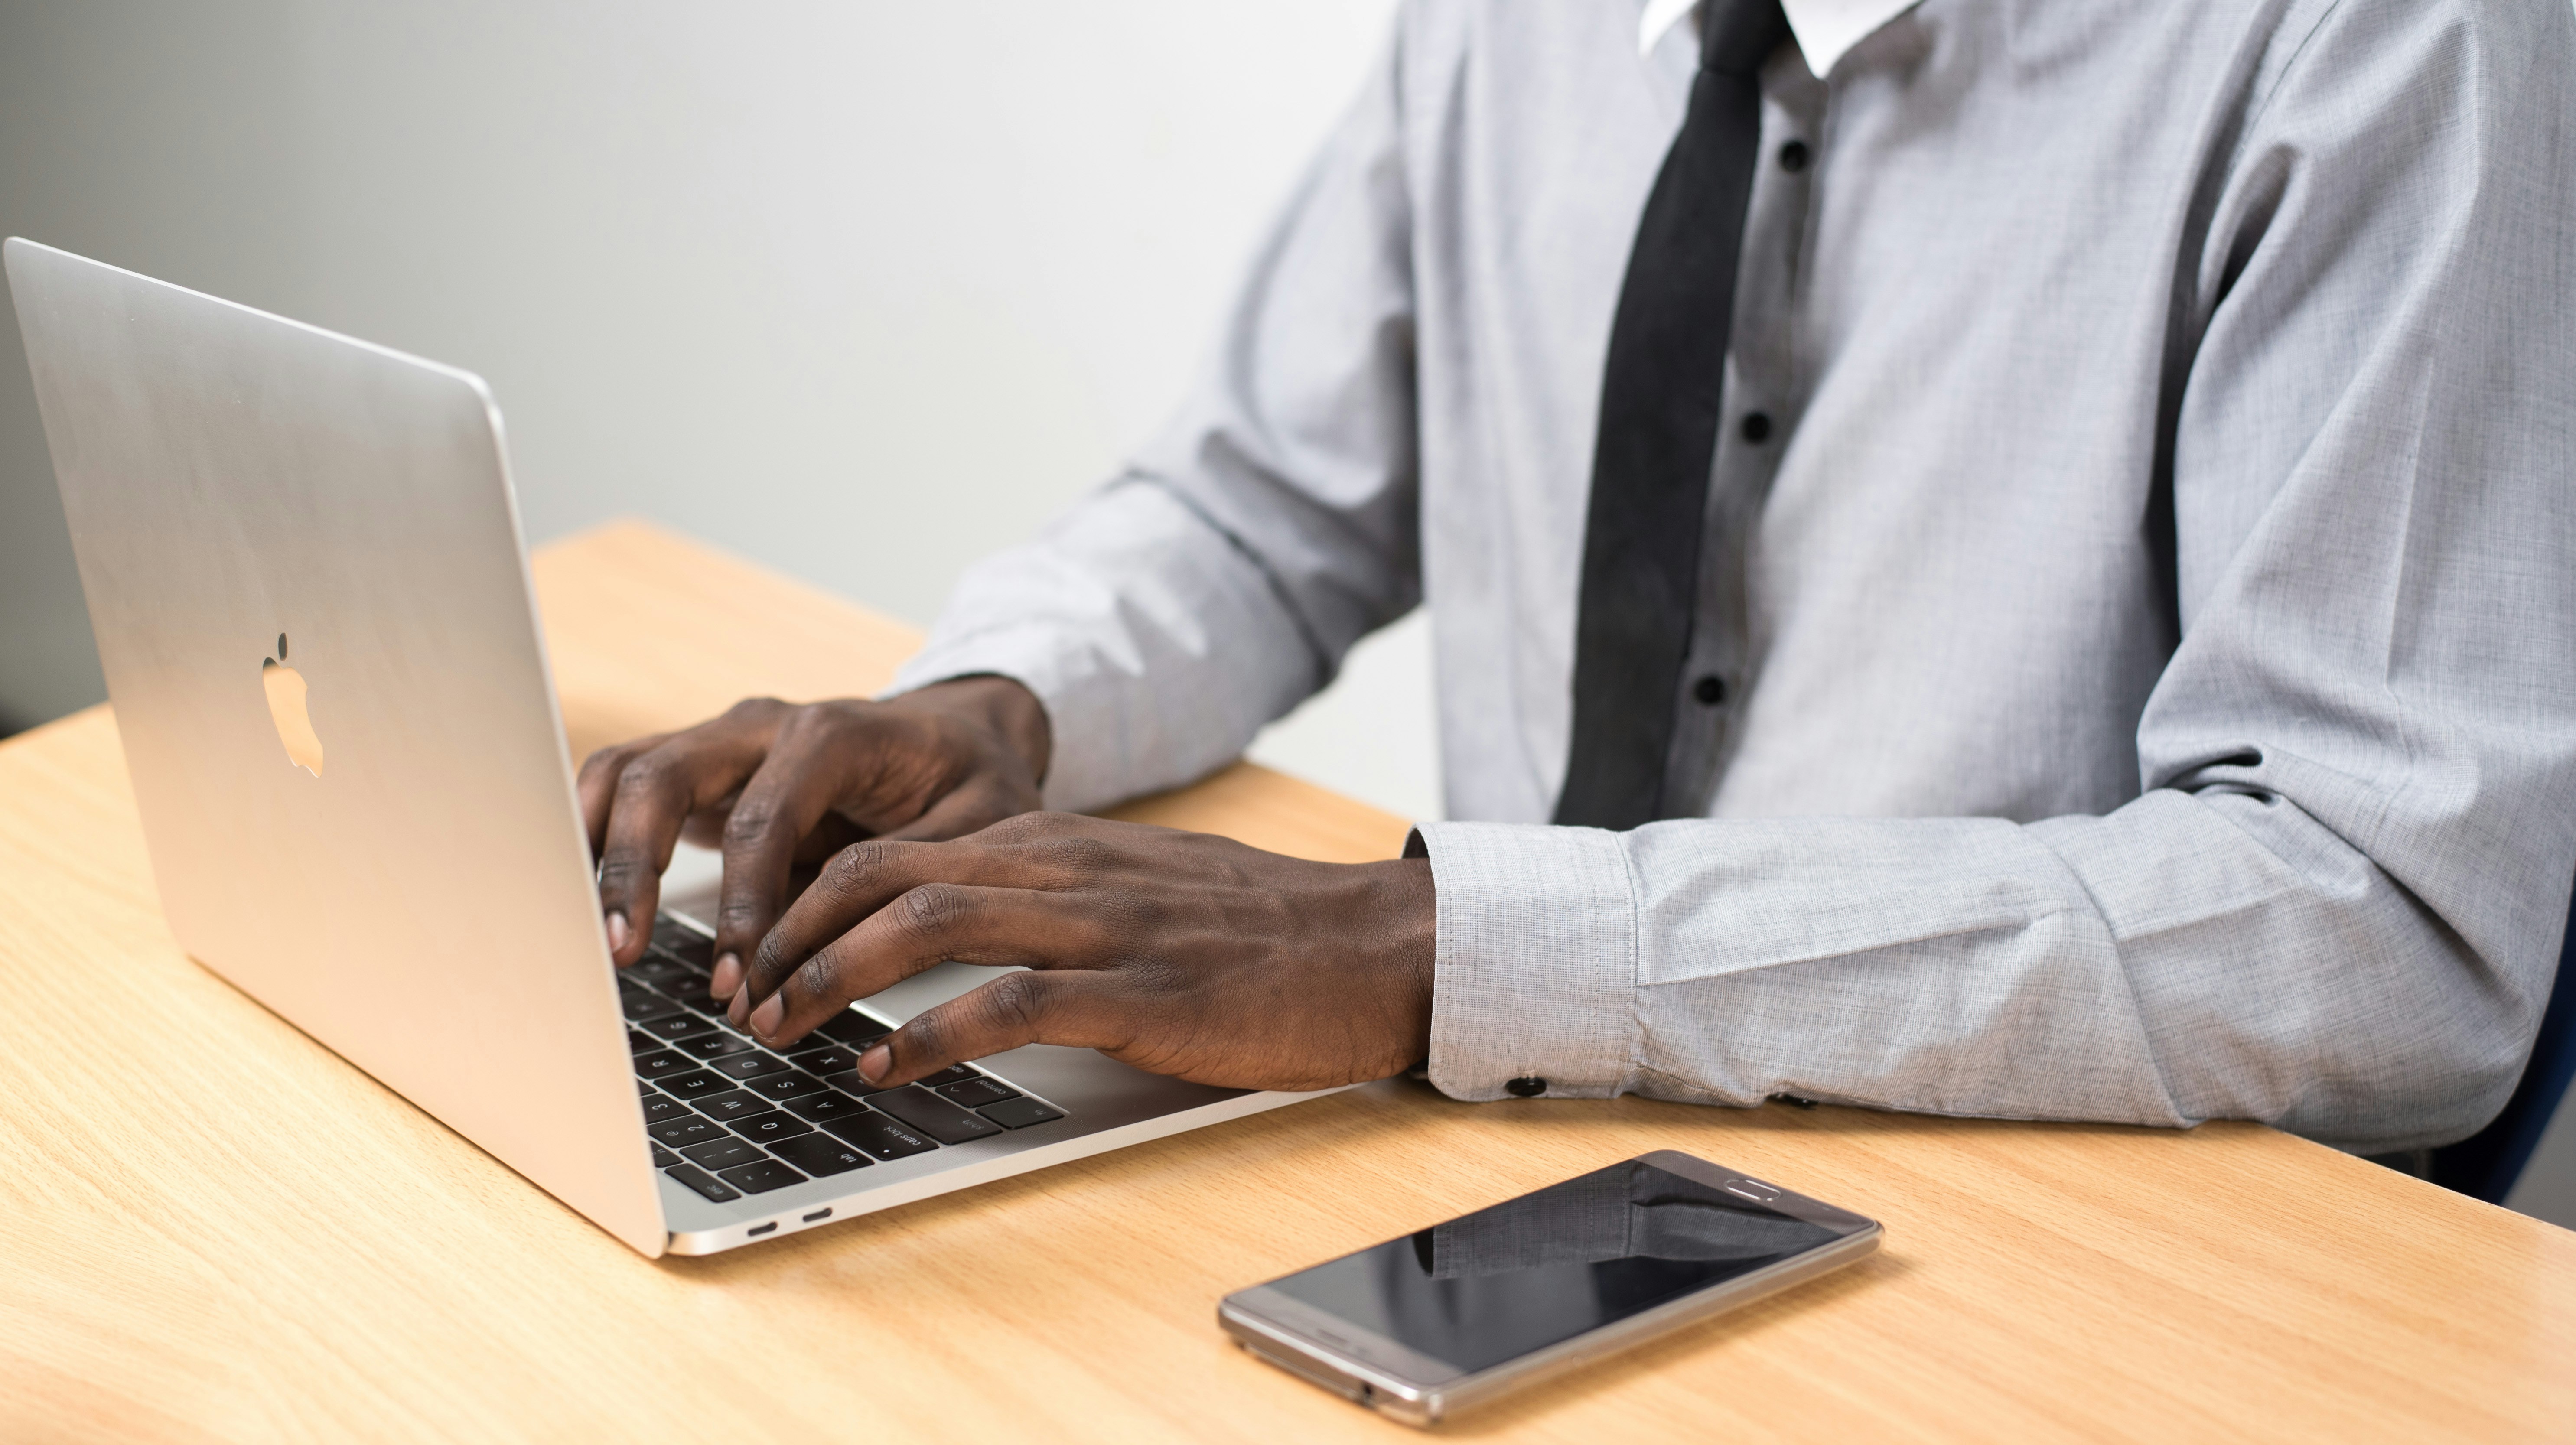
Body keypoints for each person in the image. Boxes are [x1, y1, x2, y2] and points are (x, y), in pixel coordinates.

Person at [579, 0, 2576, 1155]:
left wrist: (1429, 948)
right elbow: (1269, 497)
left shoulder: (2383, 42)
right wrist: (1000, 707)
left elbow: (2379, 913)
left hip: (2016, 1201)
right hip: (1511, 1126)